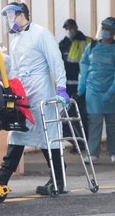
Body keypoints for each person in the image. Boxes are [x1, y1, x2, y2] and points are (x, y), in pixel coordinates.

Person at [0, 2, 70, 196]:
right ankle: (2, 178)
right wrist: (12, 89)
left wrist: (61, 87)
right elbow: (16, 69)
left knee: (47, 136)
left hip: (42, 90)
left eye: (11, 16)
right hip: (24, 92)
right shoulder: (16, 40)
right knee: (18, 132)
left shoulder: (41, 33)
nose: (9, 21)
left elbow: (55, 60)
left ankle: (59, 180)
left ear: (21, 15)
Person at [78, 17, 115, 164]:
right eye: (103, 28)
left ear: (113, 32)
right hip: (93, 90)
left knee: (112, 123)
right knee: (94, 122)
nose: (105, 32)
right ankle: (93, 153)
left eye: (108, 29)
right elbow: (84, 65)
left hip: (111, 89)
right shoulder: (92, 46)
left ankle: (113, 151)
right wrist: (82, 87)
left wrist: (112, 90)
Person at [59, 19, 92, 154]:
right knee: (66, 117)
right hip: (67, 86)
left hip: (83, 86)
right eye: (66, 27)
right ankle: (78, 143)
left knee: (83, 116)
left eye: (70, 27)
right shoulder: (63, 43)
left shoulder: (88, 41)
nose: (69, 30)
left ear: (76, 27)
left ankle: (86, 143)